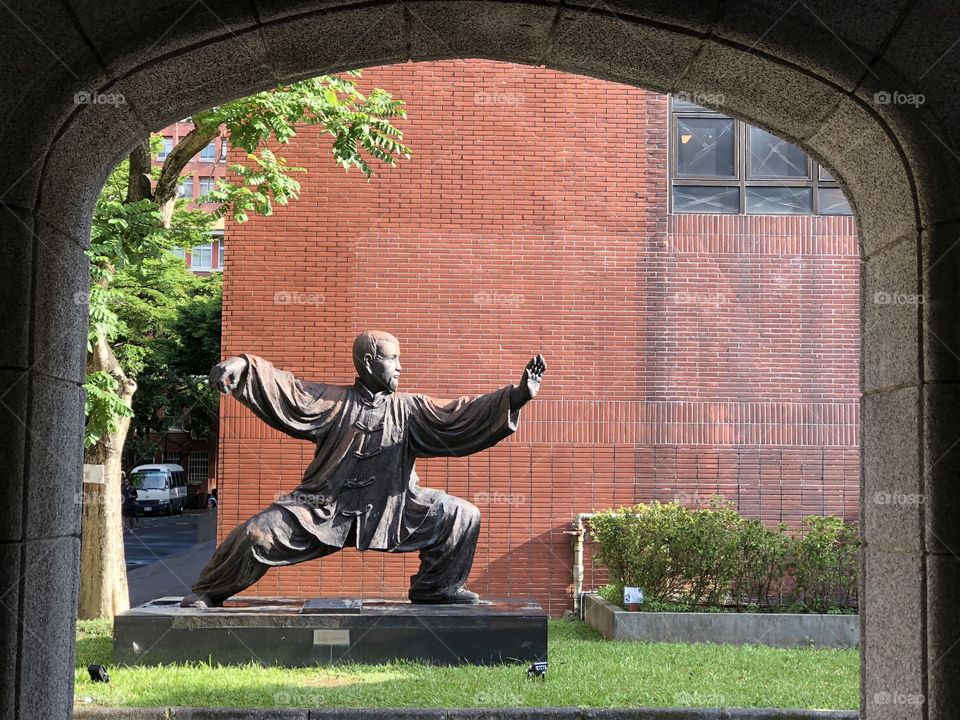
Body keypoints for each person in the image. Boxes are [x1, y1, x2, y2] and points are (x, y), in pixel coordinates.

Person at [181, 330, 546, 608]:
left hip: (396, 507)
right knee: (257, 535)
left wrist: (515, 397)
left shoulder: (410, 409)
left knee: (462, 515)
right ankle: (207, 590)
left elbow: (456, 415)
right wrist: (243, 366)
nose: (400, 366)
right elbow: (286, 390)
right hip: (322, 507)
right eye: (392, 358)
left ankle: (437, 588)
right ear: (370, 362)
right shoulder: (331, 402)